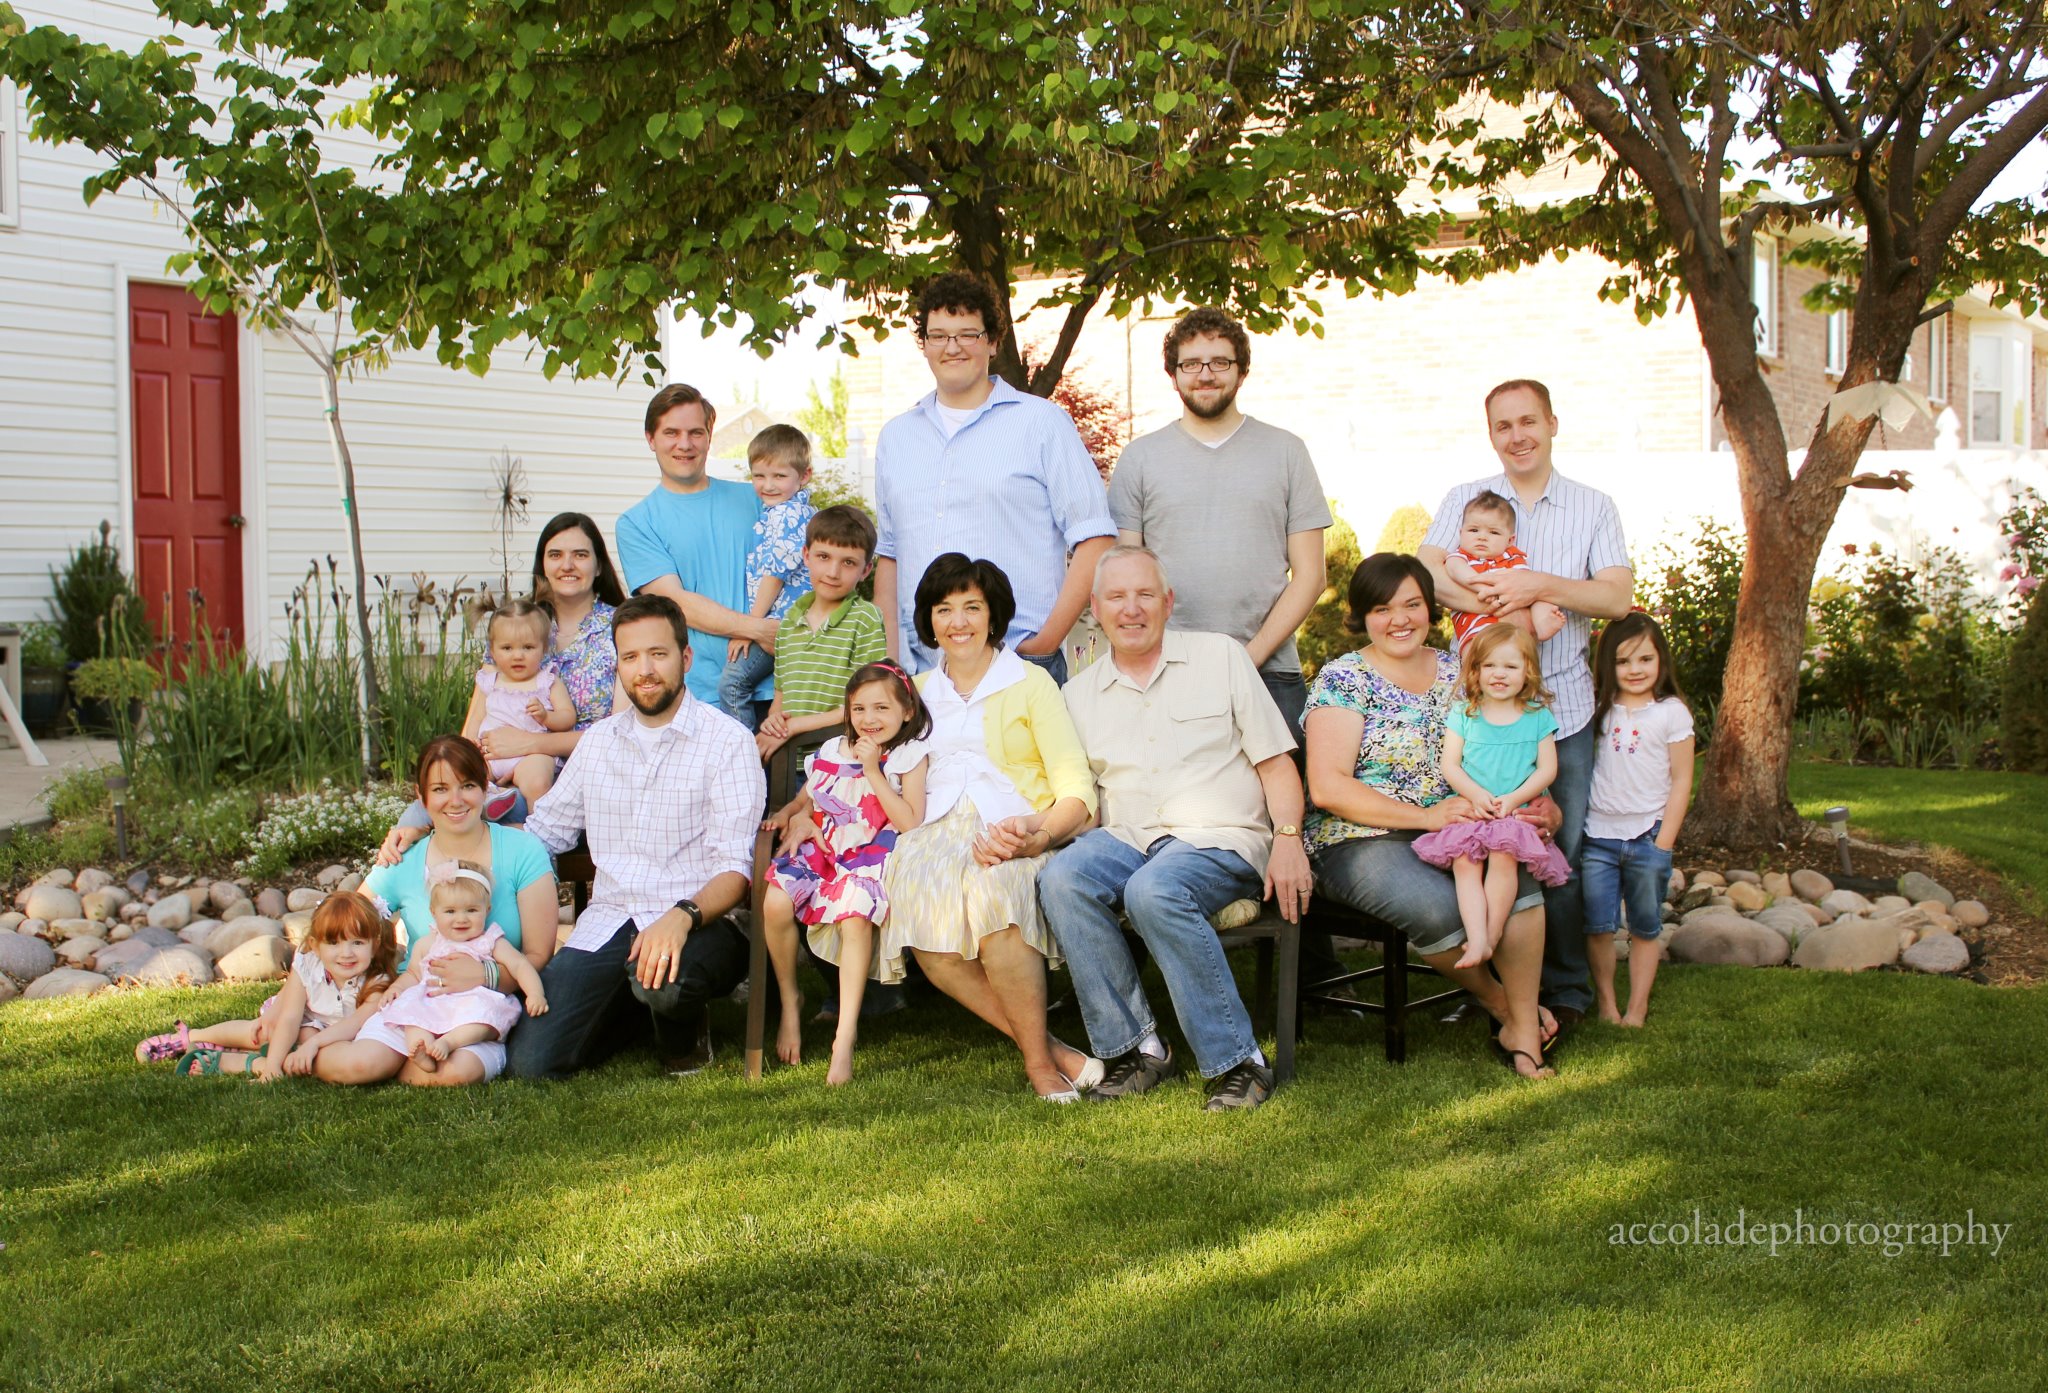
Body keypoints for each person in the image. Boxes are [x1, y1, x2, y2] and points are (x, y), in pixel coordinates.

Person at [1038, 546, 1312, 1112]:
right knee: (1062, 878)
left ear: (1168, 602)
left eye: (1145, 595)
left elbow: (1275, 761)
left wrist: (1288, 839)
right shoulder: (1078, 695)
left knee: (1154, 890)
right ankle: (1138, 1049)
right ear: (1096, 608)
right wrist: (1038, 834)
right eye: (1116, 597)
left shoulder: (1221, 657)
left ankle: (1240, 1062)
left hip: (1219, 836)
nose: (1131, 609)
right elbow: (1086, 804)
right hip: (1128, 837)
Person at [1418, 379, 1633, 1033]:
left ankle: (1563, 990)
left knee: (1555, 840)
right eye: (1503, 425)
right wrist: (1501, 607)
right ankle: (1496, 984)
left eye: (1528, 421)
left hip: (1559, 708)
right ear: (1491, 434)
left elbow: (1616, 597)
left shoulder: (1593, 506)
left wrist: (1540, 584)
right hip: (1479, 714)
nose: (1518, 436)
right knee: (1478, 838)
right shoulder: (1467, 500)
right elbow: (1426, 575)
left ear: (1552, 423)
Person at [1303, 553, 1559, 1079]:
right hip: (1357, 837)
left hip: (1461, 823)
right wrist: (1425, 818)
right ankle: (1509, 1012)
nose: (1399, 619)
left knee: (1522, 884)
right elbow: (1328, 788)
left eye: (1412, 604)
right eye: (1382, 609)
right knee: (1439, 908)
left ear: (1430, 607)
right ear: (1362, 615)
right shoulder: (1344, 678)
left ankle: (1522, 1033)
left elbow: (1507, 742)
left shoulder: (1456, 669)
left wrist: (1539, 799)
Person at [511, 594, 767, 1079]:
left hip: (703, 923)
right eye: (630, 657)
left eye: (658, 654)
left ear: (685, 658)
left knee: (666, 985)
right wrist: (462, 839)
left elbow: (735, 870)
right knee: (531, 1062)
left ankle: (680, 1034)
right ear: (619, 666)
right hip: (610, 919)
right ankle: (633, 1003)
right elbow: (544, 832)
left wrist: (682, 916)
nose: (644, 670)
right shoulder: (598, 743)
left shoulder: (727, 741)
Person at [879, 554, 1102, 1101]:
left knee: (995, 896)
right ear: (929, 621)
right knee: (925, 918)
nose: (958, 622)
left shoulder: (1030, 683)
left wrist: (1037, 833)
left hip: (1012, 826)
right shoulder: (914, 692)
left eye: (972, 607)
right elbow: (860, 746)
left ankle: (1039, 1067)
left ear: (994, 616)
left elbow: (1076, 788)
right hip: (931, 832)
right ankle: (1051, 1053)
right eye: (944, 609)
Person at [872, 271, 1116, 680]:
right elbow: (891, 555)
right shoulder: (896, 437)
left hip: (1019, 664)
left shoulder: (1041, 423)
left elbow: (1095, 538)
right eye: (938, 336)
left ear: (993, 342)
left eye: (968, 334)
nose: (952, 347)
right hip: (924, 673)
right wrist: (891, 664)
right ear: (924, 344)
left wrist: (1043, 644)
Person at [1107, 306, 1330, 737]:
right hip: (1165, 670)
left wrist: (1246, 659)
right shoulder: (1140, 459)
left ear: (1242, 371)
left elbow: (1311, 576)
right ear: (1173, 375)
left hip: (1269, 671)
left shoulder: (1286, 452)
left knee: (1282, 784)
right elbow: (1125, 575)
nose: (1205, 375)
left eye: (1220, 363)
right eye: (1191, 364)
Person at [379, 512, 626, 855]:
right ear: (542, 565)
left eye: (580, 555)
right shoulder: (516, 621)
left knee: (484, 816)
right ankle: (382, 881)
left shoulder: (620, 628)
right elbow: (478, 714)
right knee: (422, 812)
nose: (567, 565)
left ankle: (525, 879)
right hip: (498, 773)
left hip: (576, 783)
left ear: (599, 566)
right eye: (555, 555)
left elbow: (618, 733)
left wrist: (530, 744)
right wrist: (470, 770)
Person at [761, 662, 932, 1083]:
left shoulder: (907, 757)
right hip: (822, 848)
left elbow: (910, 821)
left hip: (868, 856)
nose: (868, 719)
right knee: (775, 901)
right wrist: (790, 814)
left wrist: (873, 770)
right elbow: (808, 798)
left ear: (907, 710)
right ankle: (791, 1001)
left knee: (854, 915)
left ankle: (845, 1035)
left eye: (881, 708)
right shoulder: (832, 749)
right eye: (859, 709)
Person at [355, 735, 561, 1085]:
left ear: (485, 788)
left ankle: (393, 1066)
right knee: (357, 1064)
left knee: (454, 1072)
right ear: (422, 796)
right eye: (440, 789)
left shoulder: (522, 850)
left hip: (481, 1009)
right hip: (420, 1000)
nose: (456, 800)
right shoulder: (404, 858)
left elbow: (538, 954)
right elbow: (346, 923)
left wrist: (484, 975)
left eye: (467, 785)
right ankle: (387, 1057)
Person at [1411, 625, 1572, 969]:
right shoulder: (1465, 713)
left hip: (1515, 812)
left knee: (1503, 857)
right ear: (1476, 671)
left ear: (1527, 671)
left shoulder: (1537, 716)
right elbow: (1450, 765)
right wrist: (1476, 795)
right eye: (1490, 665)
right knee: (1464, 863)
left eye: (1510, 666)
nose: (1499, 674)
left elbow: (1547, 770)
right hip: (1476, 809)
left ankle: (1493, 933)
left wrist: (1514, 799)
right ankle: (1477, 939)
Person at [615, 384, 771, 709]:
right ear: (650, 438)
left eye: (695, 433)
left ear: (709, 437)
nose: (684, 444)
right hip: (704, 697)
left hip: (779, 686)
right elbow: (677, 603)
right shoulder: (637, 523)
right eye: (671, 433)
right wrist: (762, 631)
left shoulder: (756, 499)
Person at [139, 892, 398, 1079]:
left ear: (374, 944)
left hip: (329, 1035)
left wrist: (314, 1044)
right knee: (262, 1032)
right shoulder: (309, 966)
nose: (346, 953)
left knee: (307, 1041)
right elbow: (290, 1017)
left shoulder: (377, 982)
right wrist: (274, 1068)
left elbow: (353, 1025)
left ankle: (245, 1059)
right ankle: (193, 1037)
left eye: (357, 943)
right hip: (300, 1023)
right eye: (334, 943)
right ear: (316, 946)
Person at [1583, 612, 1694, 1027]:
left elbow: (1682, 780)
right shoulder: (1598, 709)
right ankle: (1607, 1004)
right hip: (1598, 836)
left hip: (1648, 835)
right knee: (1598, 926)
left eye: (1645, 659)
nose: (1635, 669)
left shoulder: (1671, 713)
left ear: (1661, 659)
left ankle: (1637, 1007)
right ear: (1607, 664)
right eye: (1623, 661)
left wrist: (1664, 842)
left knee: (1645, 926)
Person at [365, 861, 550, 1075]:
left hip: (474, 1003)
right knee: (411, 1012)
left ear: (487, 909)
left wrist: (535, 993)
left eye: (471, 910)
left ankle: (449, 1042)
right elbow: (413, 973)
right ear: (434, 912)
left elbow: (520, 966)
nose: (461, 919)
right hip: (434, 1001)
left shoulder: (490, 941)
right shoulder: (428, 943)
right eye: (450, 911)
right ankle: (421, 1046)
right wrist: (395, 988)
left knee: (486, 1020)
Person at [755, 504, 889, 762]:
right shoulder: (789, 623)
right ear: (806, 555)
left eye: (848, 562)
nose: (833, 572)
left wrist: (795, 726)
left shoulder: (865, 619)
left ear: (865, 570)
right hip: (787, 760)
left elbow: (867, 705)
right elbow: (780, 699)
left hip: (839, 761)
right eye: (823, 557)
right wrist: (775, 722)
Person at [720, 425, 817, 729]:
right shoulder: (779, 512)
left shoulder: (789, 515)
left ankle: (742, 751)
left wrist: (749, 628)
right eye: (759, 476)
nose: (768, 485)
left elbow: (775, 574)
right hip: (780, 623)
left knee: (732, 683)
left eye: (779, 476)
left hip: (779, 626)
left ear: (804, 476)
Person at [464, 600, 576, 812]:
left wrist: (546, 717)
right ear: (493, 651)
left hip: (531, 755)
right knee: (465, 773)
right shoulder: (490, 682)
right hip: (490, 754)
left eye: (528, 647)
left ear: (543, 649)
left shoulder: (547, 682)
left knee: (537, 783)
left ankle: (539, 825)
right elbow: (476, 718)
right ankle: (492, 799)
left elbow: (568, 717)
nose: (518, 655)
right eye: (507, 648)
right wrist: (472, 746)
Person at [1441, 491, 1566, 653]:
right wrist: (1483, 588)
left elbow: (1527, 584)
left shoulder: (1512, 557)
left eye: (1493, 532)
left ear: (1510, 540)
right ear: (1461, 533)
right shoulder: (1461, 557)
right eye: (1473, 530)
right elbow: (1455, 569)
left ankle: (1542, 623)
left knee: (1542, 595)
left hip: (1514, 626)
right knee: (1475, 654)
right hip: (1476, 625)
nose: (1482, 537)